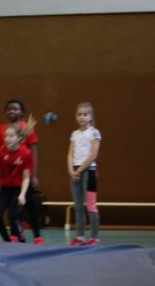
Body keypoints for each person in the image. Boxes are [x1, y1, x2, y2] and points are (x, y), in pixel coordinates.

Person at [0, 99, 45, 244]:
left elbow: (33, 151)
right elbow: (0, 152)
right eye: (9, 109)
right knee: (12, 209)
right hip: (10, 176)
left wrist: (34, 174)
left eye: (15, 109)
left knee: (30, 204)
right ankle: (15, 235)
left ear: (22, 112)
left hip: (24, 174)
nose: (12, 111)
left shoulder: (26, 128)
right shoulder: (2, 129)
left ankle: (37, 235)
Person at [0, 123, 33, 242]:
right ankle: (7, 241)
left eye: (11, 136)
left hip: (17, 189)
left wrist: (22, 194)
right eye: (6, 136)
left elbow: (26, 177)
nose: (7, 139)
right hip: (5, 189)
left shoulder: (25, 153)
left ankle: (21, 238)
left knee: (13, 216)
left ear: (19, 138)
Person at [68, 101, 101, 246]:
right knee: (78, 206)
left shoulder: (94, 132)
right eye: (79, 114)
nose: (82, 117)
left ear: (90, 116)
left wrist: (79, 170)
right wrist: (71, 170)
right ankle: (80, 236)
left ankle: (94, 237)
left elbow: (93, 155)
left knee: (90, 205)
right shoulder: (74, 134)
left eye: (85, 114)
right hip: (75, 172)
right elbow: (70, 154)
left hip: (89, 171)